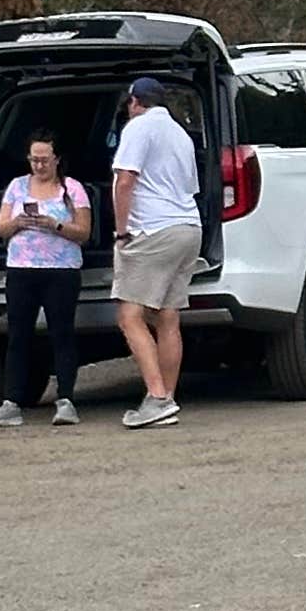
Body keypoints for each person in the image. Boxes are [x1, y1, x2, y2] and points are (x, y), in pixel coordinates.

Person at [111, 74, 205, 426]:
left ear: (135, 102)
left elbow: (125, 181)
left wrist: (122, 233)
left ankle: (157, 396)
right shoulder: (180, 133)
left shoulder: (137, 128)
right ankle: (168, 399)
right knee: (167, 317)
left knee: (130, 316)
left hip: (153, 230)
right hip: (188, 229)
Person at [0, 132, 92, 426]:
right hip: (21, 267)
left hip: (61, 270)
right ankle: (11, 402)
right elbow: (0, 228)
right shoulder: (16, 187)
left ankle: (66, 399)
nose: (39, 165)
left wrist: (55, 224)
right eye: (34, 160)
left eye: (44, 160)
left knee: (61, 333)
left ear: (56, 160)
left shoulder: (71, 189)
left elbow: (84, 232)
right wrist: (17, 223)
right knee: (18, 335)